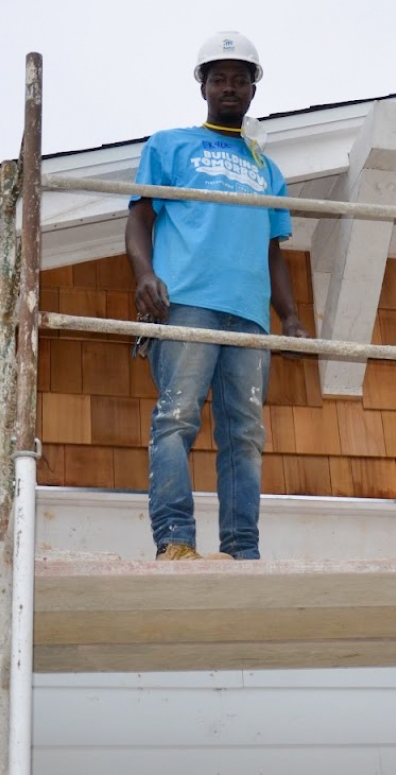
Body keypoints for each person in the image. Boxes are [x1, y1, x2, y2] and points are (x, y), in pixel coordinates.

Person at [125, 31, 308, 562]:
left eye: (240, 79)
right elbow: (139, 216)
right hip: (186, 301)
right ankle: (176, 541)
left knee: (245, 434)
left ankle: (241, 550)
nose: (230, 87)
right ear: (202, 85)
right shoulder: (169, 144)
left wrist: (291, 316)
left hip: (250, 315)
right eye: (219, 78)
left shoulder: (268, 170)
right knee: (177, 418)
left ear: (254, 90)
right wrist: (144, 273)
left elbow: (274, 251)